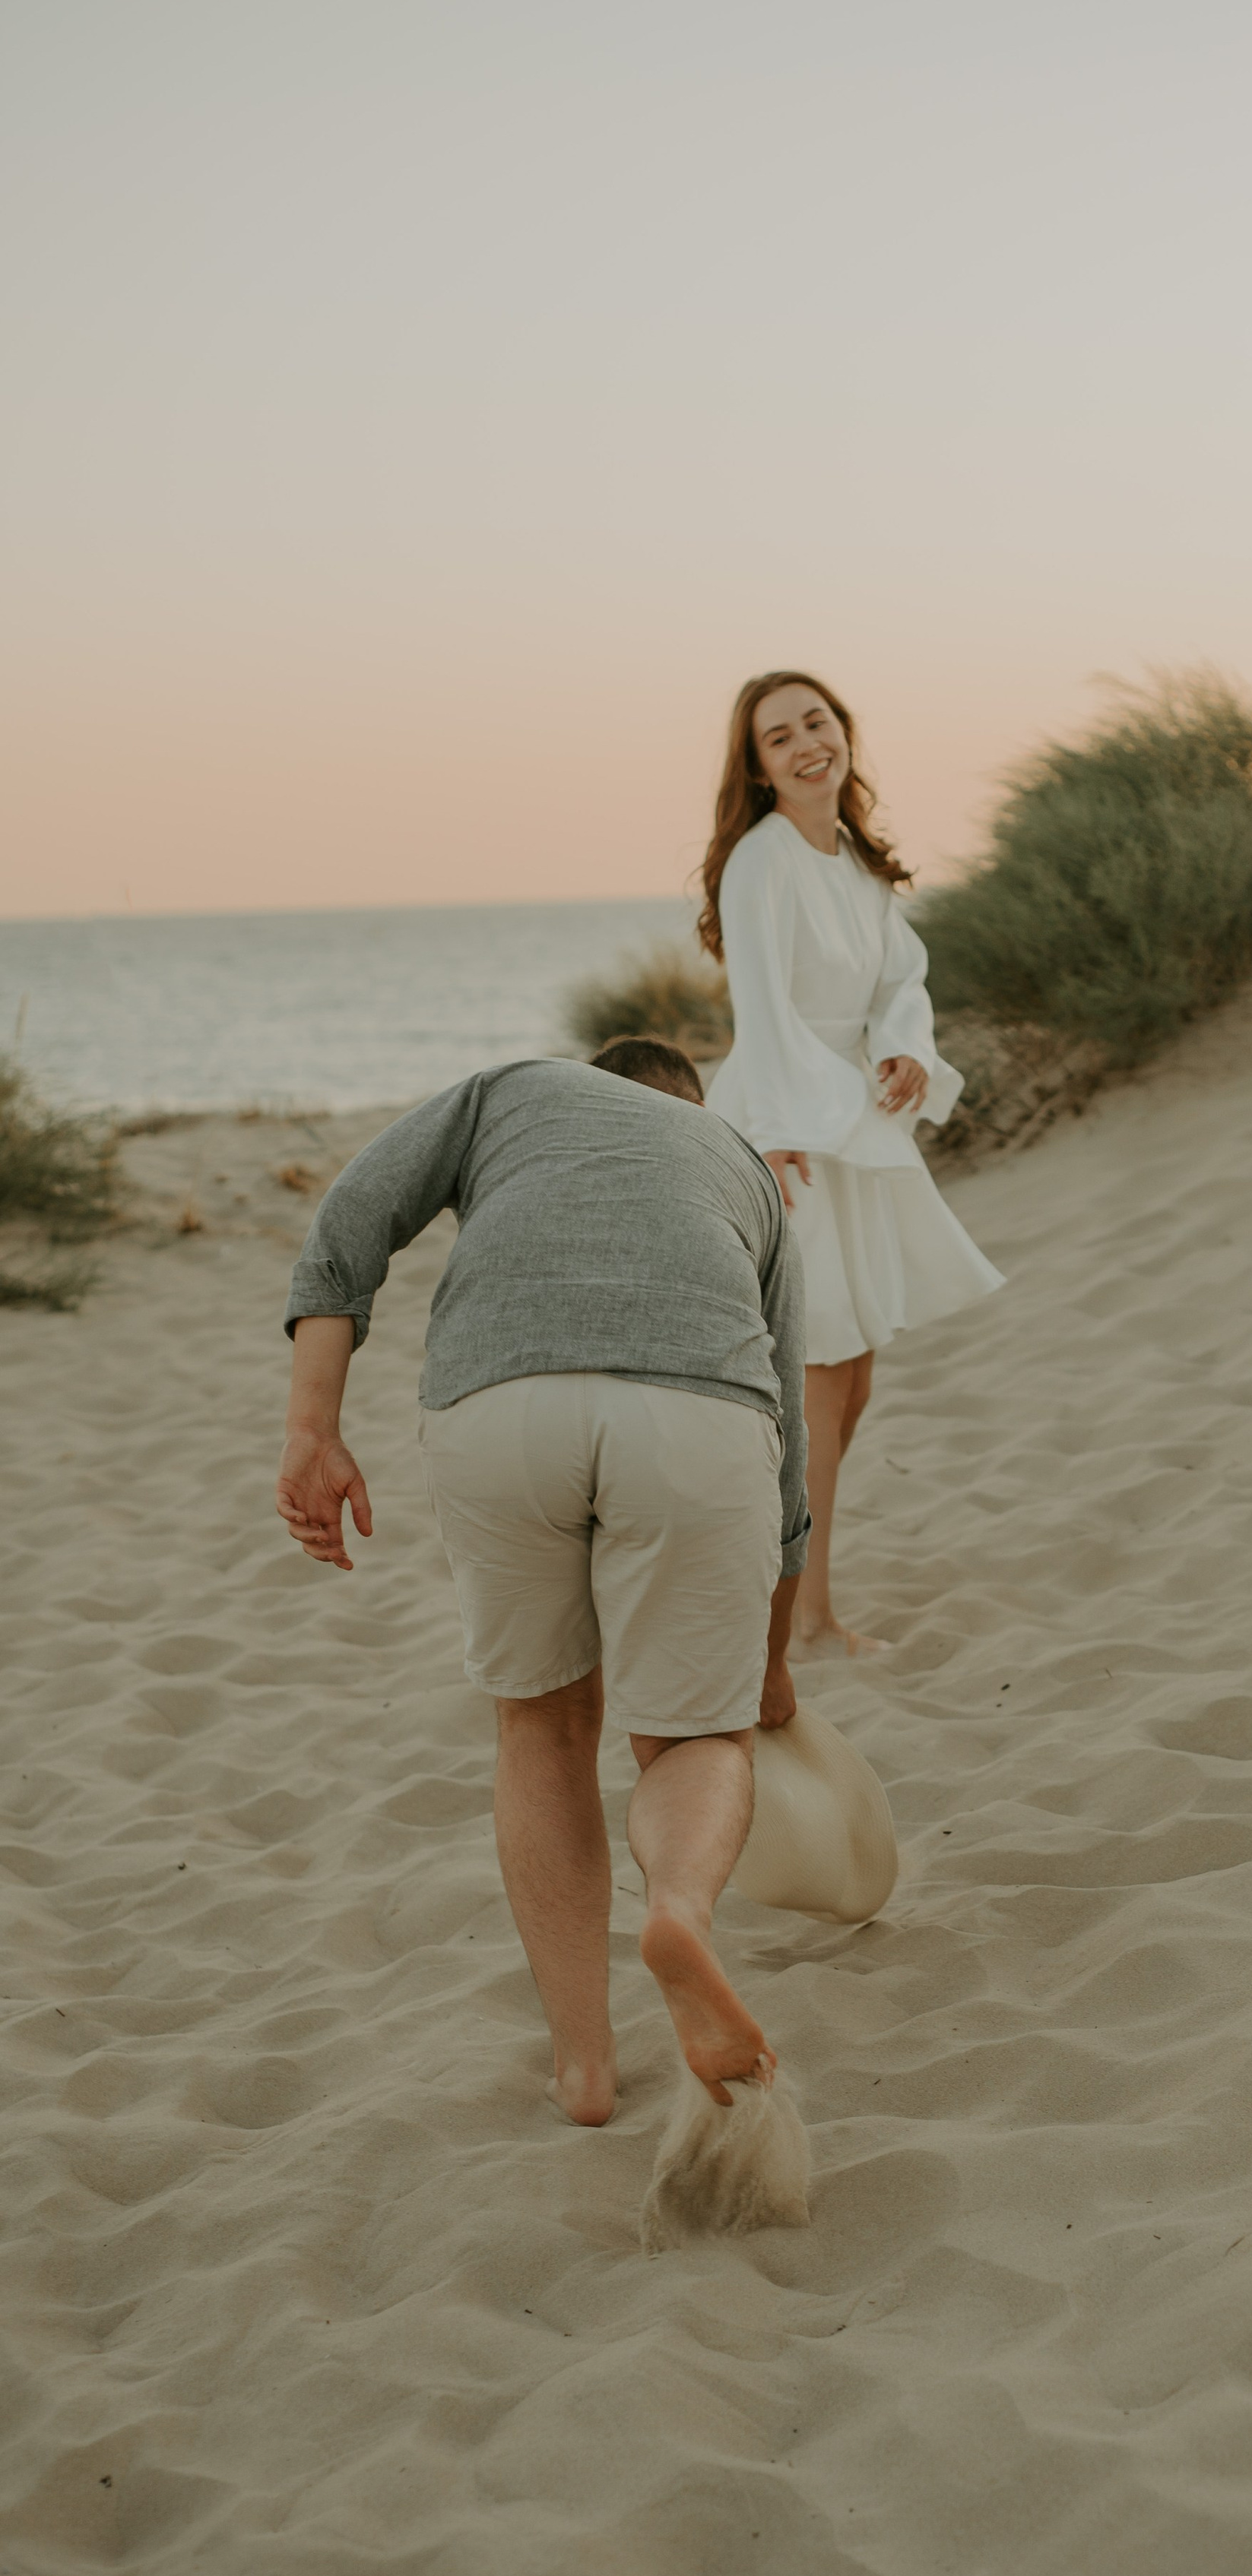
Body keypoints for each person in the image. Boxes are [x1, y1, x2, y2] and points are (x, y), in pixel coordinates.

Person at [273, 1046, 807, 2129]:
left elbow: (354, 1215)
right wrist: (772, 1663)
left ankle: (584, 2071)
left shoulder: (512, 1088)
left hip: (499, 1404)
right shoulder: (742, 1165)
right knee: (695, 1741)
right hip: (697, 1417)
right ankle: (681, 1913)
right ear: (687, 1106)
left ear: (593, 1078)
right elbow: (787, 1430)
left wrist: (312, 1430)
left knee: (542, 1726)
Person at [699, 670, 1003, 1657]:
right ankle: (807, 1620)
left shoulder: (859, 865)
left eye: (816, 723)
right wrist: (787, 1126)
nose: (804, 745)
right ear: (757, 766)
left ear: (843, 732)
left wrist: (903, 1048)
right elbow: (764, 1011)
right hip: (785, 1126)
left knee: (855, 1373)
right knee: (820, 1374)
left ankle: (781, 1575)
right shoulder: (761, 862)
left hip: (850, 1114)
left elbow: (901, 978)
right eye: (778, 737)